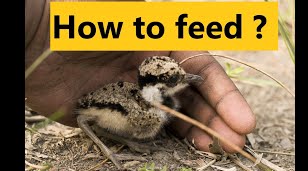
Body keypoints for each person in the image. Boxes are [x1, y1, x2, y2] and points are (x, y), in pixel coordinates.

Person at [25, 0, 255, 153]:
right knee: (93, 119)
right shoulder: (140, 109)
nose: (186, 80)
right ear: (155, 86)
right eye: (174, 80)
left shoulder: (151, 104)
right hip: (106, 108)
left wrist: (42, 26)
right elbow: (85, 116)